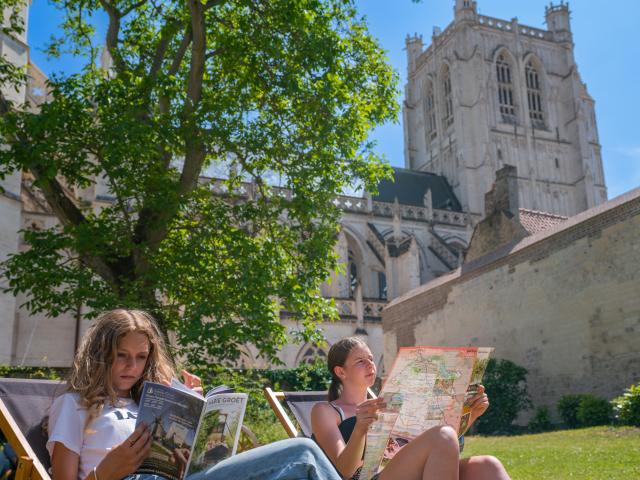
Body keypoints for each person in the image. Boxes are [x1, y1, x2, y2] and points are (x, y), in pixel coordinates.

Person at [47, 309, 341, 480]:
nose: (131, 366)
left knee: (299, 463)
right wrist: (104, 474)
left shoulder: (148, 402)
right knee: (303, 453)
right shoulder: (74, 404)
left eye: (140, 357)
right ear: (100, 355)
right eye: (121, 355)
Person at [311, 337, 511, 480]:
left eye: (371, 358)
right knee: (442, 435)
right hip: (367, 477)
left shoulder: (389, 402)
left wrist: (471, 413)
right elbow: (343, 471)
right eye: (360, 361)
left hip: (405, 469)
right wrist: (359, 430)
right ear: (340, 371)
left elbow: (441, 445)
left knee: (487, 465)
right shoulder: (325, 411)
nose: (370, 365)